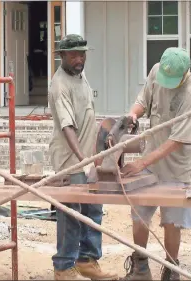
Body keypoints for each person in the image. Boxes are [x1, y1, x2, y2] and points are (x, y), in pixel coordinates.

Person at [119, 47, 191, 281]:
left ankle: (171, 269)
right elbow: (142, 102)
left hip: (177, 167)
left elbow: (177, 140)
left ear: (186, 73)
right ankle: (141, 267)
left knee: (172, 221)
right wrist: (132, 116)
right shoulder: (157, 71)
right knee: (139, 212)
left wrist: (140, 162)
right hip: (151, 163)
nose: (166, 84)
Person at [48, 34, 119, 281]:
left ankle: (87, 260)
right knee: (71, 212)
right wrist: (83, 161)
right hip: (71, 159)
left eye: (82, 54)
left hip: (89, 155)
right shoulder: (60, 85)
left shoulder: (80, 75)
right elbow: (68, 127)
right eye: (74, 55)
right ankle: (64, 267)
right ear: (62, 56)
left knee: (93, 209)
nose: (79, 59)